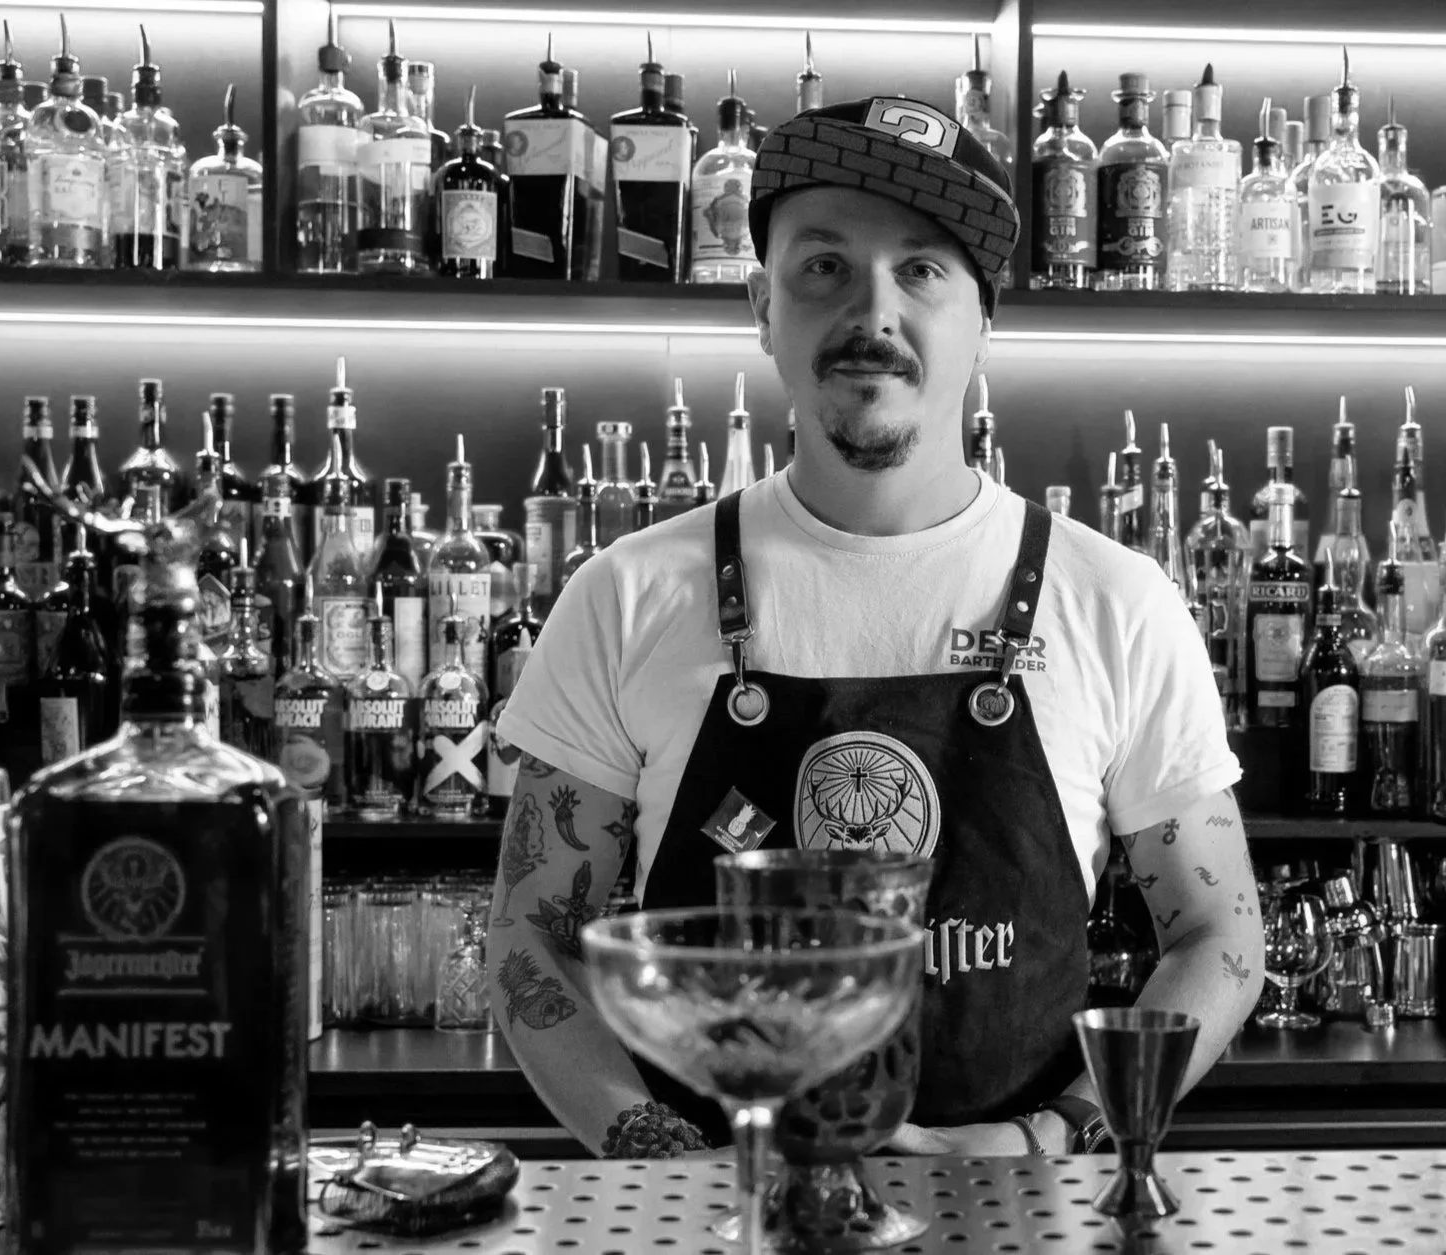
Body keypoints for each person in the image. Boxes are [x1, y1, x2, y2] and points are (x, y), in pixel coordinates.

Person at [490, 95, 1264, 1159]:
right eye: (824, 266)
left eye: (923, 270)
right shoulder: (627, 594)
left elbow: (1219, 934)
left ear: (985, 321)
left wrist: (1057, 1135)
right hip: (719, 1211)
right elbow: (530, 938)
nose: (873, 311)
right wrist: (665, 1165)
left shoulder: (1115, 601)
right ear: (762, 307)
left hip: (1021, 1208)